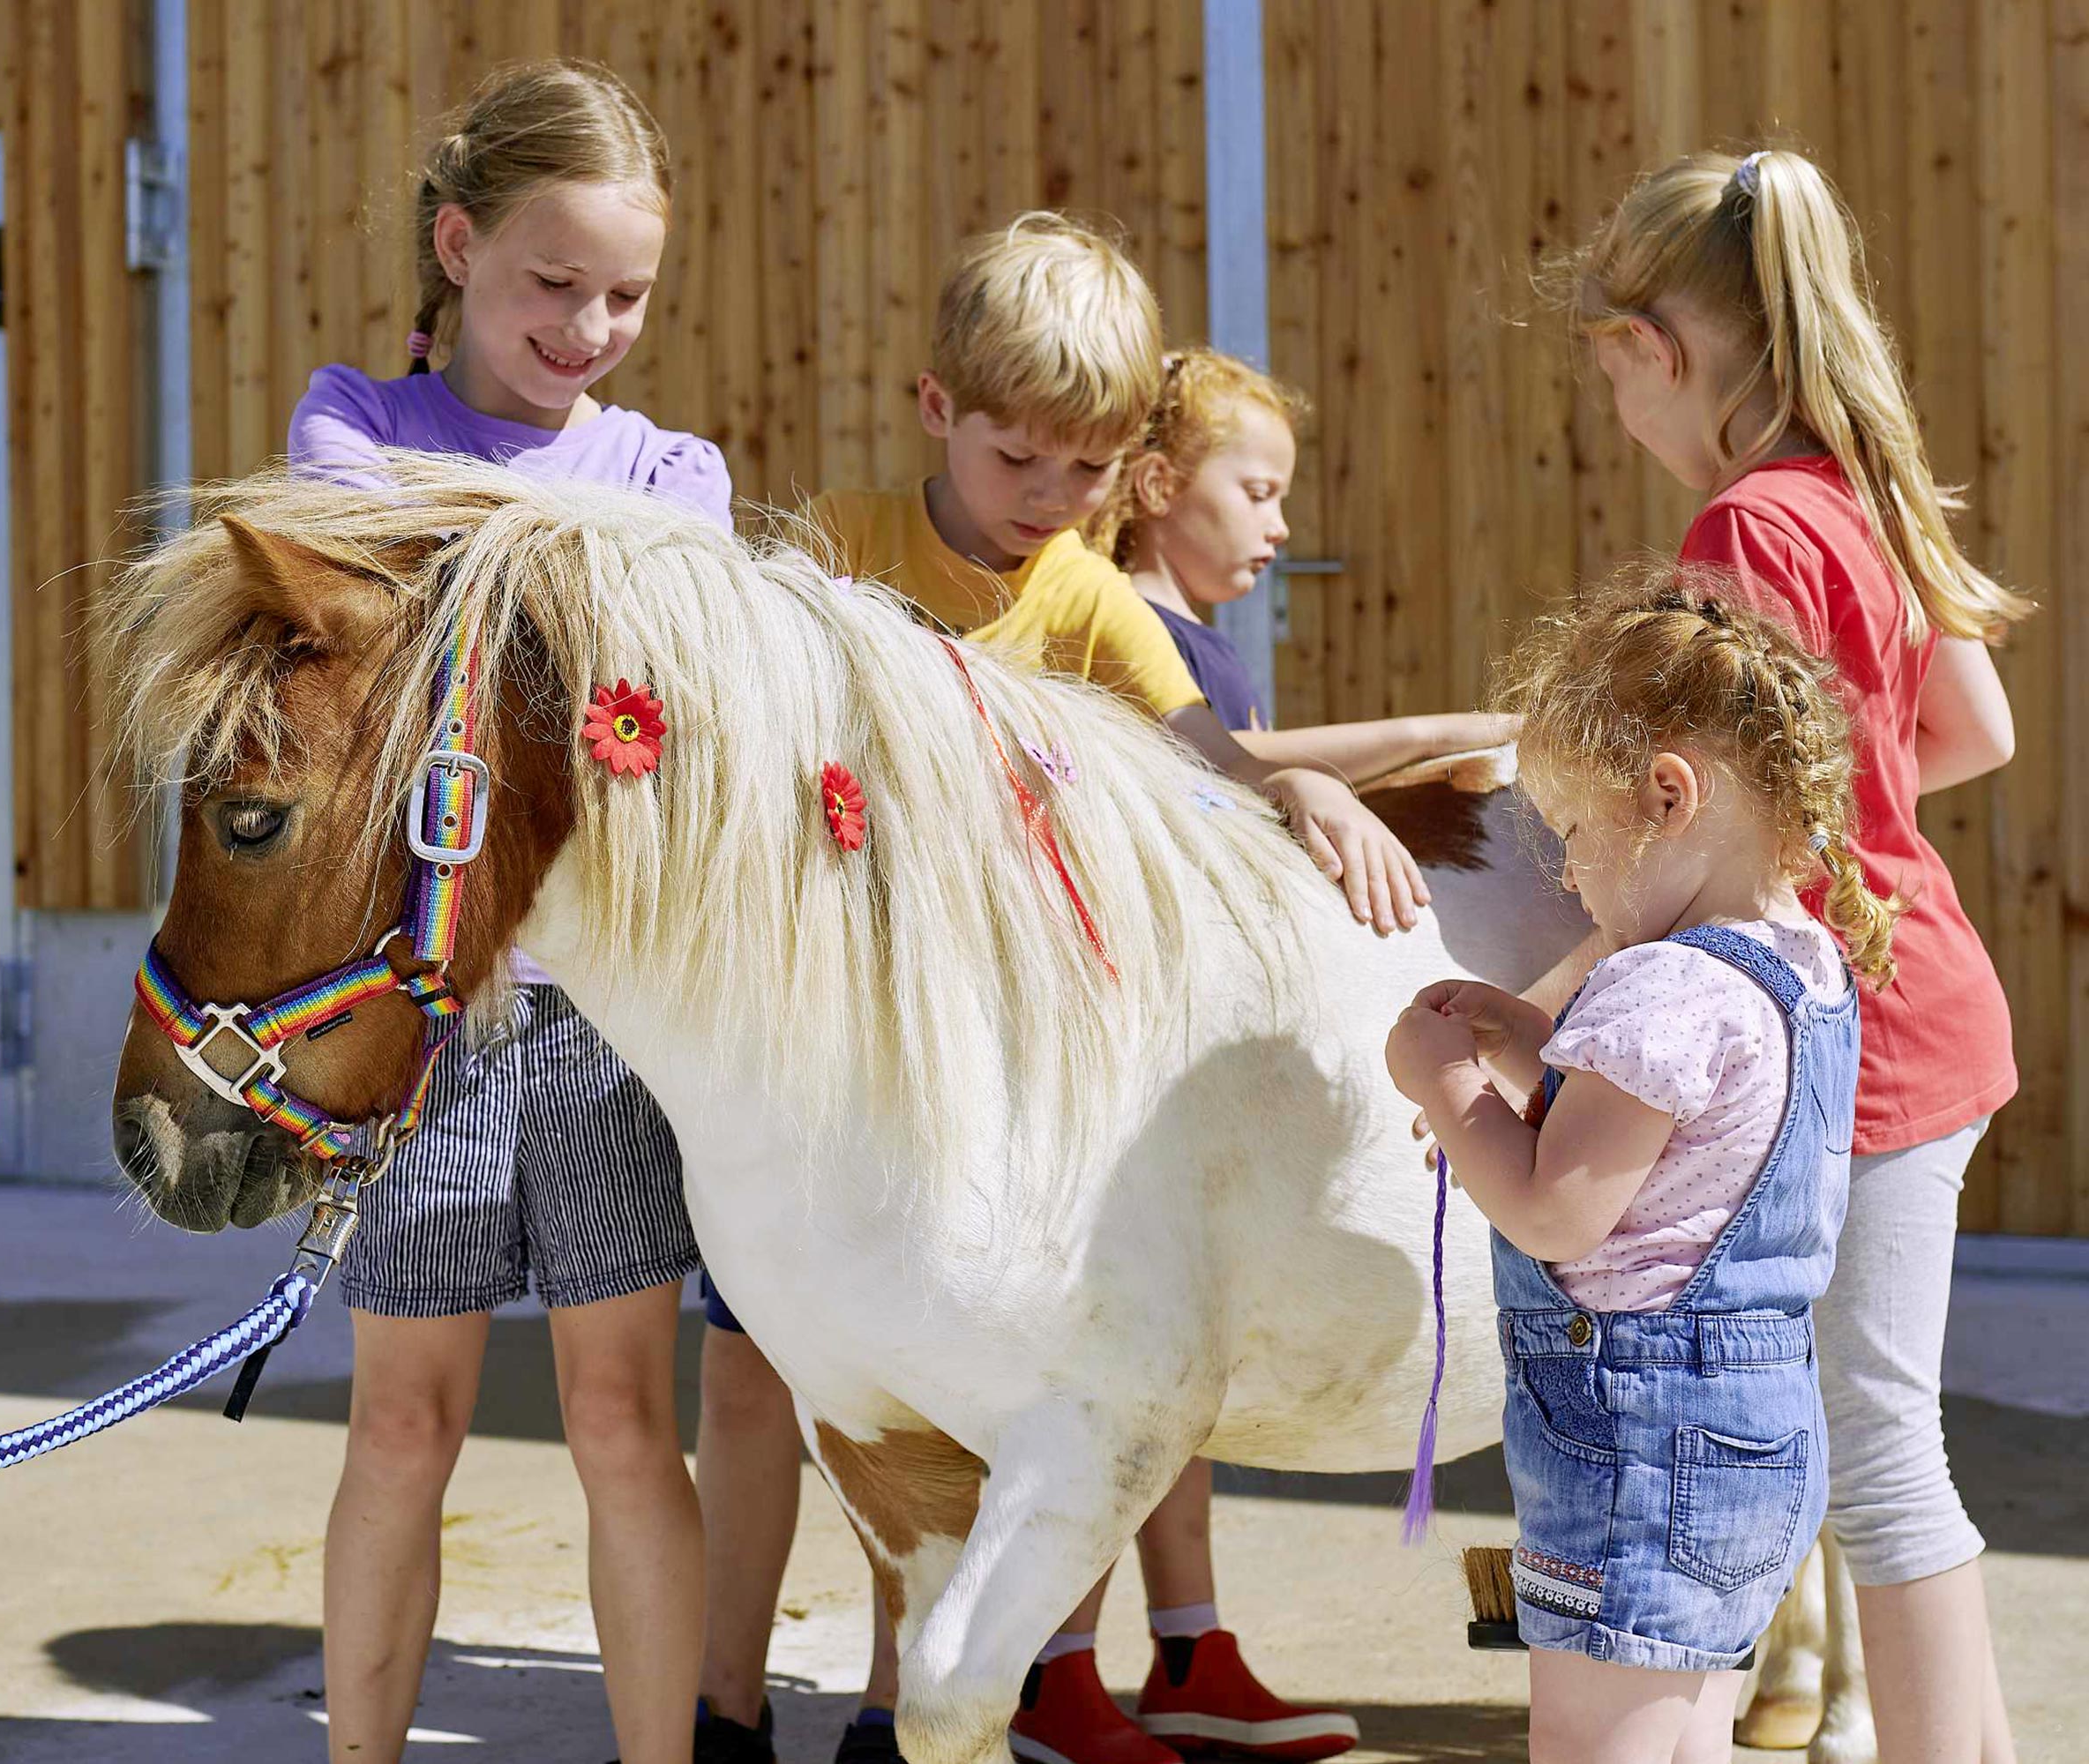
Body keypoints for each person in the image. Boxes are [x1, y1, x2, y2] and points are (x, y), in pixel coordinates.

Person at [693, 213, 1374, 1764]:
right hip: (809, 1063)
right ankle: (720, 1712)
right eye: (1022, 462)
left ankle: (897, 1704)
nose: (1053, 504)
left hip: (957, 1084)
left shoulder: (1080, 592)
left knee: (926, 1402)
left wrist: (1302, 790)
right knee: (758, 1384)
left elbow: (1198, 738)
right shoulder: (838, 544)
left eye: (1087, 472)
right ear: (937, 408)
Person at [1564, 146, 2027, 1763]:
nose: (1610, 398)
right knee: (1882, 1442)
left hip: (1864, 1038)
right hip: (1925, 1002)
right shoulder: (1866, 490)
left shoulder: (1748, 527)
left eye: (1606, 362)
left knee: (1881, 1452)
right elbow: (1968, 729)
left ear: (1659, 349)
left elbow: (1699, 825)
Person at [287, 57, 720, 1764]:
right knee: (404, 1426)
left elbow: (670, 652)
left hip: (613, 1022)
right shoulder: (351, 421)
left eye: (626, 293)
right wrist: (580, 565)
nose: (592, 326)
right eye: (554, 282)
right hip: (424, 1013)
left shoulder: (672, 465)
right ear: (457, 245)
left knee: (625, 1419)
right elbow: (372, 567)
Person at [1389, 565, 1891, 1763]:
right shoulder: (1797, 957)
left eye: (1572, 832)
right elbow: (1680, 1153)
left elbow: (1559, 1210)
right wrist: (1530, 1043)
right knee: (1681, 1740)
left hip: (1639, 1451)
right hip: (1753, 1438)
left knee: (1593, 1744)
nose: (1566, 874)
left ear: (1668, 796)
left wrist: (1447, 1086)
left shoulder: (1660, 985)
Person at [1095, 346, 1515, 774]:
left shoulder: (1203, 639)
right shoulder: (1125, 628)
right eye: (1258, 495)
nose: (1280, 528)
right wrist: (1425, 738)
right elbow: (1203, 755)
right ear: (1158, 485)